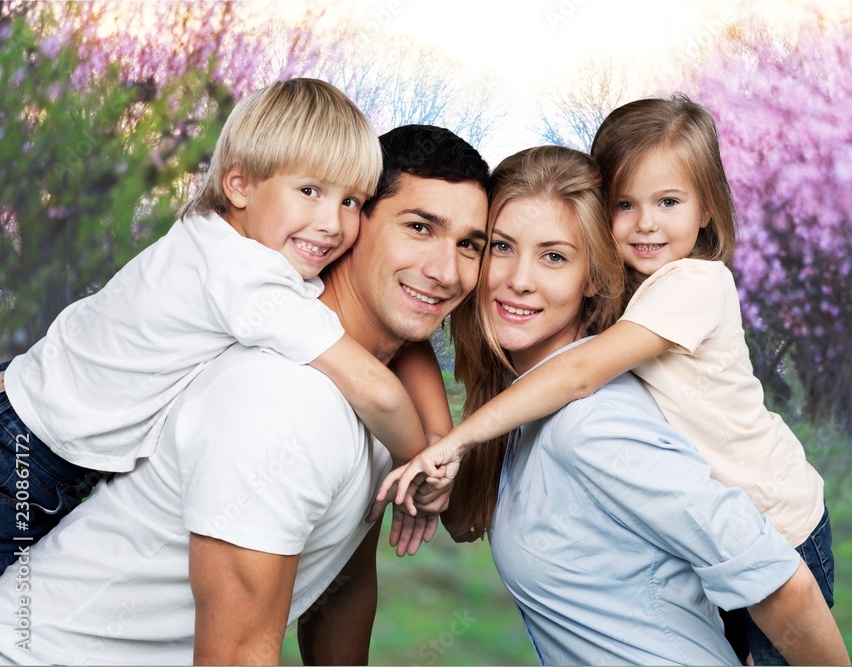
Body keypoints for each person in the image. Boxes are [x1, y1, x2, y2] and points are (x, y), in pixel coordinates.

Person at [0, 124, 490, 665]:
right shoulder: (284, 396)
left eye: (470, 244)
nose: (446, 272)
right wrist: (422, 458)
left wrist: (435, 447)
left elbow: (341, 585)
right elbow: (237, 654)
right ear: (355, 227)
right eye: (420, 227)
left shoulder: (373, 376)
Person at [380, 96, 834, 665]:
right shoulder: (528, 406)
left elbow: (782, 583)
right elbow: (471, 516)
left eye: (554, 257)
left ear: (594, 277)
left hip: (789, 516)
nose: (519, 280)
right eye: (501, 247)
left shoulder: (594, 419)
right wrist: (438, 457)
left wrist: (453, 442)